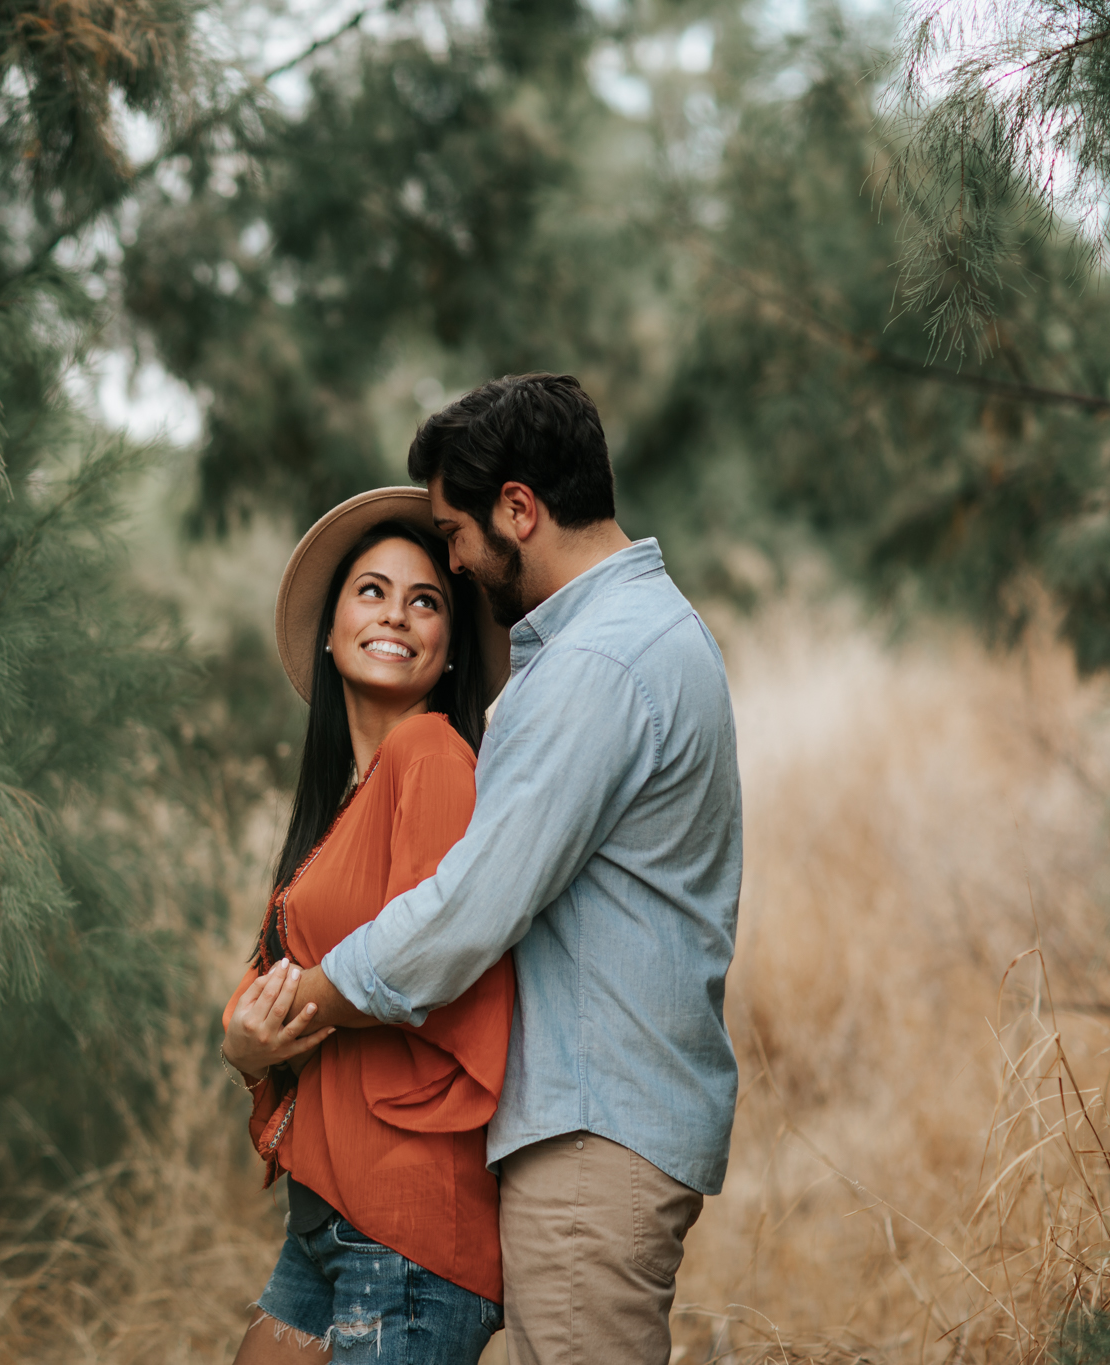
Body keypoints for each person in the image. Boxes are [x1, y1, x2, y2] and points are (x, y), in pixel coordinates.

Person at [291, 374, 745, 1365]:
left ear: (517, 509)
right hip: (607, 1122)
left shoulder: (597, 665)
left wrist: (313, 1000)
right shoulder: (635, 636)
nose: (453, 559)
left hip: (593, 1136)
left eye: (454, 533)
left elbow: (467, 910)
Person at [220, 490, 515, 1363]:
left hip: (407, 1227)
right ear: (329, 625)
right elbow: (268, 972)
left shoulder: (431, 756)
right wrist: (245, 1044)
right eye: (372, 591)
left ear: (450, 646)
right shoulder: (339, 807)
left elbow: (418, 962)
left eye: (425, 600)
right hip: (325, 1219)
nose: (396, 614)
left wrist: (269, 1030)